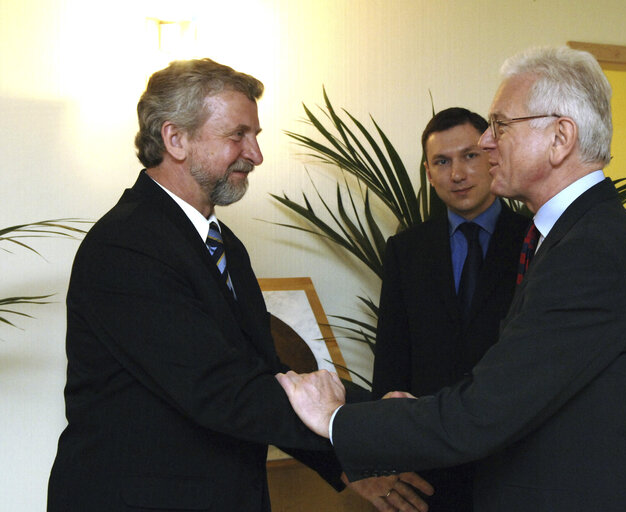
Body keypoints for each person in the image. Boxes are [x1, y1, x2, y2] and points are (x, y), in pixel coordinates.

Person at [276, 45, 626, 511]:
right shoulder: (575, 237)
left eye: (500, 125)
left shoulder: (590, 253)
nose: (486, 143)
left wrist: (335, 419)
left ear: (560, 138)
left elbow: (484, 411)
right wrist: (400, 413)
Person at [46, 58, 431, 512]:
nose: (256, 154)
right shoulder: (127, 246)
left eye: (256, 136)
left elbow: (266, 372)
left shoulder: (224, 244)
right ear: (175, 139)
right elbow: (221, 390)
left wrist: (348, 460)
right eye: (237, 136)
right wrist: (364, 428)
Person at [369, 107, 527, 510]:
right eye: (442, 161)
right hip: (427, 467)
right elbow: (391, 357)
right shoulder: (405, 251)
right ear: (428, 172)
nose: (457, 173)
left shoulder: (534, 240)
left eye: (469, 156)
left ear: (492, 156)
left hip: (515, 460)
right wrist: (384, 455)